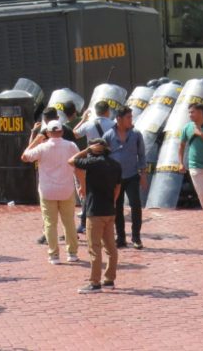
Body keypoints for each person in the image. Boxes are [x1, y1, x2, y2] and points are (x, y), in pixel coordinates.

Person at [22, 120, 80, 264]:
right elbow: (79, 163)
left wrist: (35, 140)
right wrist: (82, 184)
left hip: (47, 190)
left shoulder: (42, 147)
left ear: (47, 133)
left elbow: (24, 157)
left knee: (50, 223)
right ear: (61, 131)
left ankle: (54, 255)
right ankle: (72, 253)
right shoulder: (71, 146)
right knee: (69, 223)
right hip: (66, 189)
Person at [69, 138, 122, 293]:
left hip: (95, 211)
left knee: (94, 248)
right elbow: (118, 188)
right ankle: (109, 279)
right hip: (109, 210)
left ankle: (95, 283)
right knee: (111, 247)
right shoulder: (116, 165)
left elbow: (72, 160)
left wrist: (87, 149)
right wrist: (112, 202)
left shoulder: (93, 163)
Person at [103, 107, 147, 249]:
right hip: (115, 179)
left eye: (131, 117)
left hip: (132, 176)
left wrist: (143, 174)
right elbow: (103, 157)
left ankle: (136, 237)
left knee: (136, 205)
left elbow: (141, 155)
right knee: (117, 207)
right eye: (128, 117)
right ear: (119, 119)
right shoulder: (108, 136)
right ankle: (121, 238)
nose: (131, 120)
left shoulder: (136, 135)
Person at [72, 101, 115, 234]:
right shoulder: (113, 124)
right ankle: (108, 222)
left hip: (91, 160)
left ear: (96, 111)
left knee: (89, 191)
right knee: (109, 190)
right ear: (107, 111)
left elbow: (75, 133)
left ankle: (84, 223)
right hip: (108, 160)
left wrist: (83, 119)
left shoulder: (88, 124)